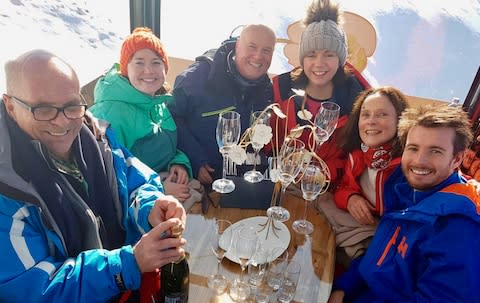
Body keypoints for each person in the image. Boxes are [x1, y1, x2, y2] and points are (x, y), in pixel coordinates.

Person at [0, 49, 187, 302]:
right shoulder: (7, 189)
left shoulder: (97, 136)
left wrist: (151, 205)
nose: (62, 122)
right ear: (10, 106)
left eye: (71, 106)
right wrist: (126, 264)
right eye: (43, 109)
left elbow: (137, 179)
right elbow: (36, 292)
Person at [328, 105, 480, 303]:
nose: (419, 161)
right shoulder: (406, 190)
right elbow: (380, 252)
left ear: (456, 159)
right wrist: (345, 288)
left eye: (435, 151)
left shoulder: (458, 227)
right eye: (413, 148)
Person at [90, 27, 202, 210]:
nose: (149, 70)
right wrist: (159, 189)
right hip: (135, 208)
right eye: (139, 63)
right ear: (126, 68)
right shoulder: (110, 114)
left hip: (162, 184)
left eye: (156, 62)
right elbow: (106, 181)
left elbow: (167, 149)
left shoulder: (156, 103)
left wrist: (178, 164)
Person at [270, 0, 369, 186]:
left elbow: (361, 154)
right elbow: (270, 142)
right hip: (286, 185)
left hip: (331, 189)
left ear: (340, 59)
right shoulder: (281, 89)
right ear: (302, 58)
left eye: (329, 54)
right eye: (311, 54)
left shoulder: (358, 97)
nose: (319, 63)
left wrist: (323, 177)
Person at [168, 24, 276, 187]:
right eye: (252, 47)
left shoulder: (267, 90)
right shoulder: (200, 75)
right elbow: (171, 116)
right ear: (237, 46)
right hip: (195, 177)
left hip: (239, 183)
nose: (258, 56)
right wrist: (194, 159)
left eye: (266, 50)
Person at [318, 87, 408, 259]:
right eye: (365, 114)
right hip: (363, 228)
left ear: (400, 120)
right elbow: (342, 187)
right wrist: (351, 198)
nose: (371, 121)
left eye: (382, 114)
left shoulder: (407, 167)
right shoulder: (358, 157)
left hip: (391, 243)